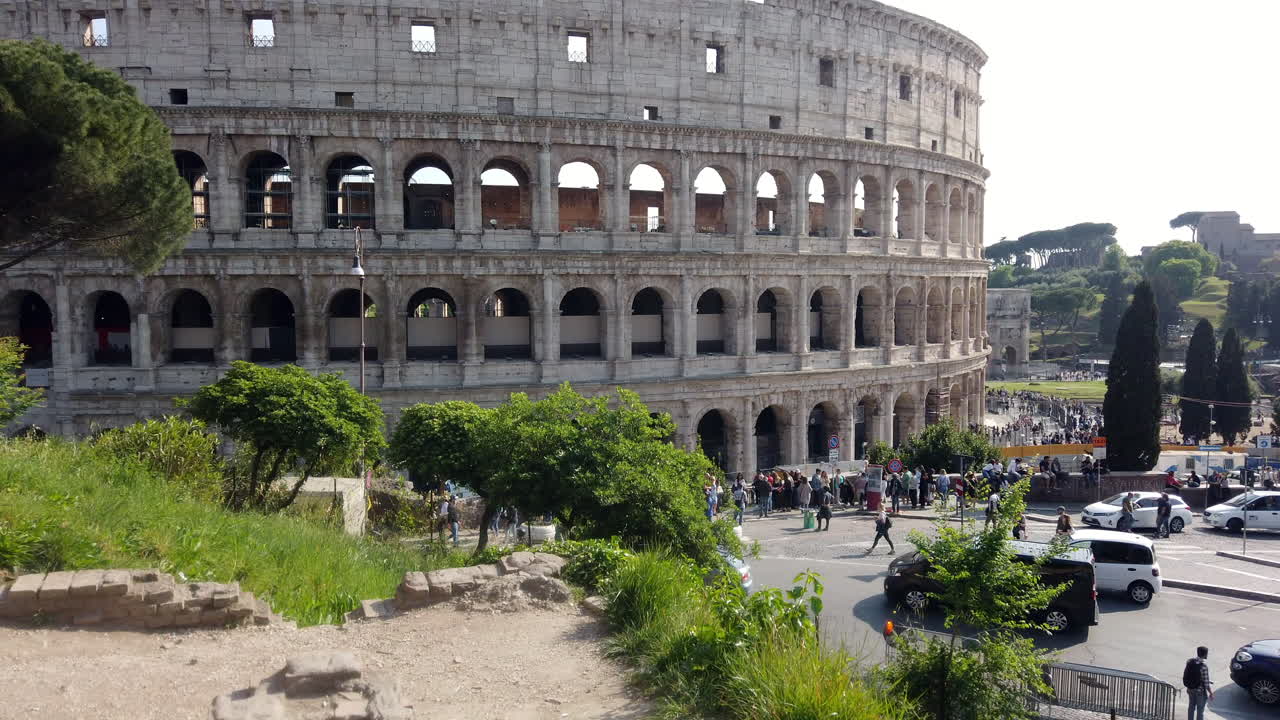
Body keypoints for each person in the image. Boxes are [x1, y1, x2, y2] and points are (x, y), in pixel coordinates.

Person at [1183, 646, 1213, 720]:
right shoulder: (1204, 666)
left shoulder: (1190, 661)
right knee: (1200, 709)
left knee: (1191, 707)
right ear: (1204, 654)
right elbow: (1206, 683)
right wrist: (1211, 693)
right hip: (1199, 691)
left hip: (1190, 688)